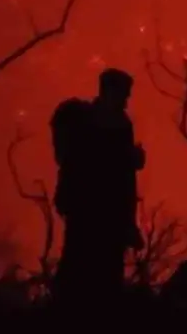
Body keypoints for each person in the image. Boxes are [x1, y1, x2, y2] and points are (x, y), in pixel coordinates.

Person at [50, 68, 145, 311]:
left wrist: (129, 223)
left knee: (99, 277)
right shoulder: (90, 125)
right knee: (83, 274)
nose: (125, 102)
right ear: (109, 92)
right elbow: (101, 170)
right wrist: (127, 158)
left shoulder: (119, 125)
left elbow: (125, 181)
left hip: (102, 217)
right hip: (89, 214)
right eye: (123, 95)